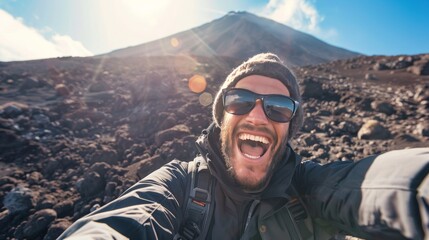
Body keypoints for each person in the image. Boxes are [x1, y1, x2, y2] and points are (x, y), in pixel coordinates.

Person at [58, 53, 429, 240]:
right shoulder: (179, 185)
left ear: (290, 127)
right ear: (222, 116)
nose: (258, 115)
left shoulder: (309, 188)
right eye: (240, 100)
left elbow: (386, 186)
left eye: (279, 108)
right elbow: (121, 225)